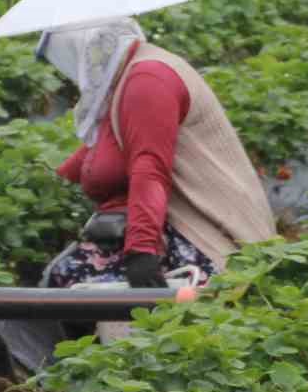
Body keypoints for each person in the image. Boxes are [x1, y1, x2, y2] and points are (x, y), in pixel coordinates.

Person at [36, 17, 277, 288]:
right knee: (62, 274)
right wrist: (42, 190)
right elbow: (99, 152)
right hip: (158, 227)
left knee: (82, 287)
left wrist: (141, 252)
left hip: (200, 238)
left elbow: (149, 167)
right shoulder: (122, 79)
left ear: (82, 47)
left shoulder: (147, 80)